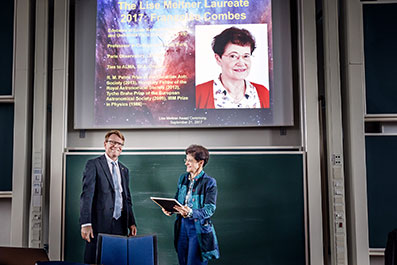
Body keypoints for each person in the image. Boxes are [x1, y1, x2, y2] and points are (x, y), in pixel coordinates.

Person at [79, 130, 137, 264]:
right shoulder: (93, 164)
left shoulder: (124, 170)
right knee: (94, 260)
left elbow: (126, 198)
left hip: (120, 224)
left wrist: (131, 222)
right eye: (112, 142)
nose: (116, 146)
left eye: (120, 144)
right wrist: (86, 223)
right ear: (105, 144)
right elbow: (87, 196)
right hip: (98, 224)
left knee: (116, 260)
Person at [162, 144, 220, 265]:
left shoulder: (209, 182)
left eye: (190, 161)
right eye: (186, 160)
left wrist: (191, 212)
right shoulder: (183, 178)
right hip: (182, 226)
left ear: (200, 163)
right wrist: (170, 209)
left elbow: (209, 209)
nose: (186, 163)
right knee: (182, 261)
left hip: (198, 228)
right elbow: (177, 200)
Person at [196, 26, 269, 109]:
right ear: (218, 59)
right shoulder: (199, 93)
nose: (241, 63)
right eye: (233, 56)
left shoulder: (263, 93)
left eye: (246, 56)